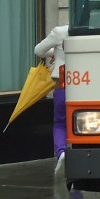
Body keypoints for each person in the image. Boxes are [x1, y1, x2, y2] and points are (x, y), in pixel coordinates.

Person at [34, 24, 69, 176]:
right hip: (84, 83)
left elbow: (38, 50)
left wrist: (54, 52)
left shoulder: (60, 32)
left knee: (60, 123)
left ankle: (61, 152)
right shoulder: (90, 30)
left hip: (62, 84)